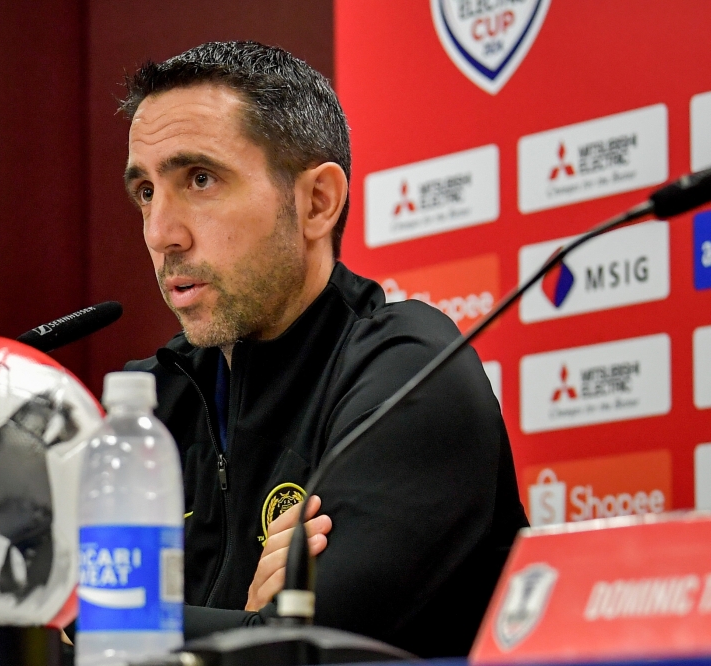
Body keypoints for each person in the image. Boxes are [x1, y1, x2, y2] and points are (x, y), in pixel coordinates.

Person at [120, 41, 528, 657]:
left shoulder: (411, 370)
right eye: (146, 191)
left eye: (199, 180)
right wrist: (245, 622)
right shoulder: (145, 407)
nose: (160, 234)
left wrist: (106, 614)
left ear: (317, 202)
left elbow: (300, 651)